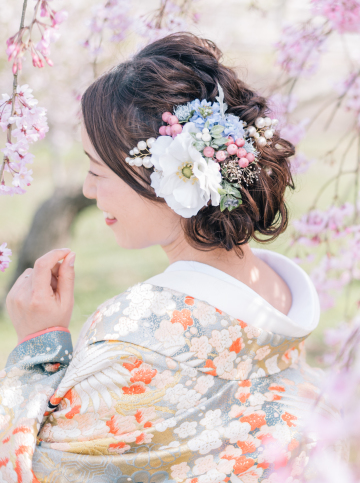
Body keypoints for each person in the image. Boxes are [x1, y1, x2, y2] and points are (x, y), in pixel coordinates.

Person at [1, 33, 339, 483]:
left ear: (165, 178)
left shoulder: (136, 332)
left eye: (97, 170)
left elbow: (39, 467)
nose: (87, 189)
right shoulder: (281, 293)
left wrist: (38, 347)